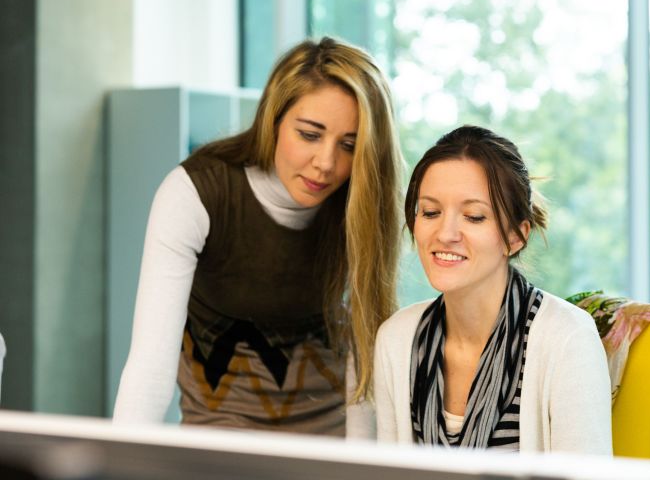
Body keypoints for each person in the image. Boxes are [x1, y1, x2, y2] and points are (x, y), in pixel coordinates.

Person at [113, 37, 403, 436]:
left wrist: (358, 467)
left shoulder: (363, 197)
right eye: (309, 134)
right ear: (274, 118)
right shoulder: (193, 193)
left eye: (349, 145)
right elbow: (150, 366)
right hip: (218, 440)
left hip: (328, 442)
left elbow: (364, 372)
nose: (326, 164)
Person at [374, 125, 611, 453]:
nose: (445, 233)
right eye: (430, 212)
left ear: (516, 236)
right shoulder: (396, 339)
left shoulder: (568, 339)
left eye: (473, 216)